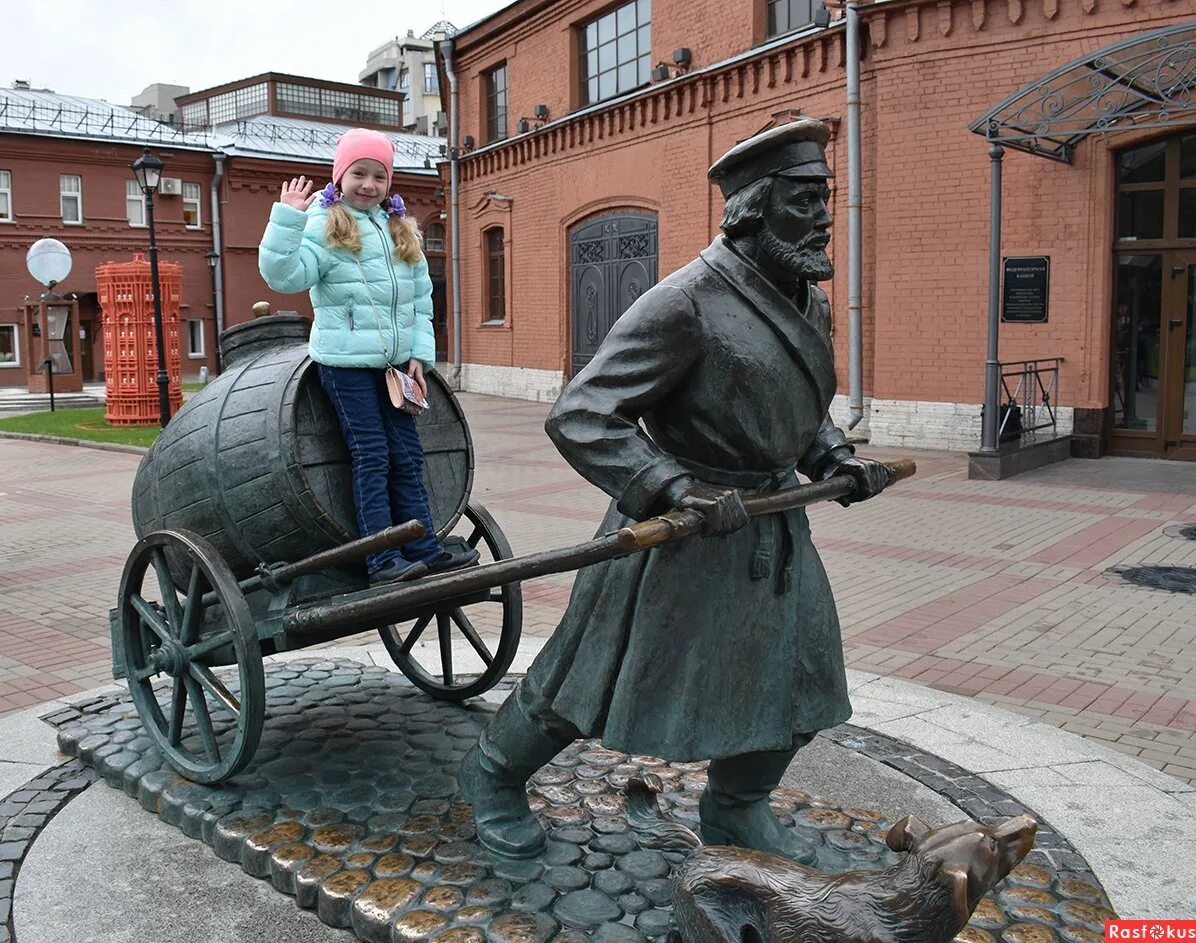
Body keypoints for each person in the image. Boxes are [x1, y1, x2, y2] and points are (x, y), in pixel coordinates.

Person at [459, 117, 895, 861]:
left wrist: (833, 456)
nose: (824, 218)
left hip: (769, 527)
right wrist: (667, 485)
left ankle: (735, 805)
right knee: (584, 679)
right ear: (754, 208)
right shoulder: (684, 301)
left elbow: (798, 398)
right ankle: (494, 774)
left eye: (826, 198)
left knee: (806, 676)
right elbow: (582, 411)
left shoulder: (806, 299)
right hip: (679, 532)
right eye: (803, 200)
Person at [258, 128, 478, 584]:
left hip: (395, 368)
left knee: (407, 455)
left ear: (388, 182)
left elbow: (420, 299)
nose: (369, 184)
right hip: (345, 366)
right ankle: (381, 558)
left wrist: (420, 352)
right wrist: (287, 220)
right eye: (359, 173)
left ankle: (424, 547)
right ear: (341, 176)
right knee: (372, 454)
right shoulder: (322, 225)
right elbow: (283, 277)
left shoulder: (400, 230)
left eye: (379, 176)